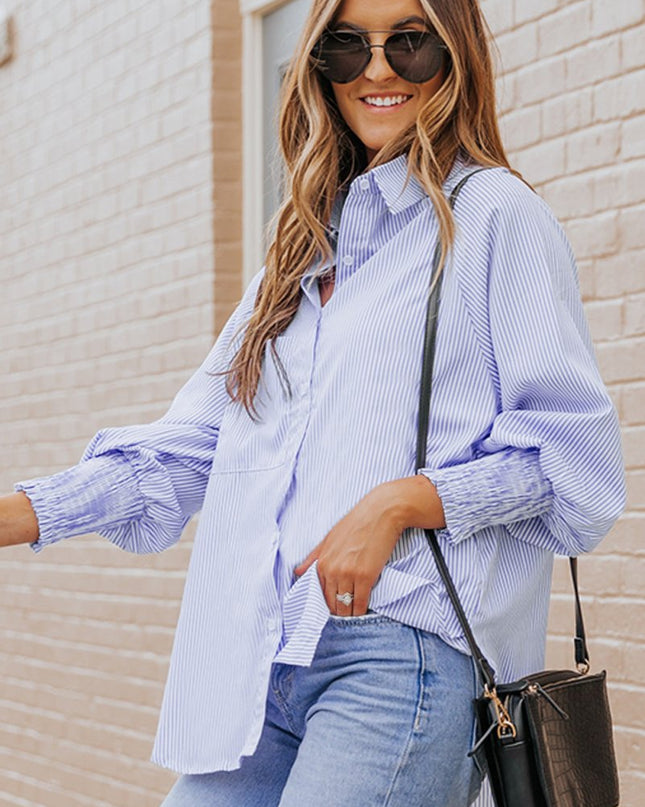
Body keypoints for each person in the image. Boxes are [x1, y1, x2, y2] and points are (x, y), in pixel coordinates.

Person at [1, 0, 625, 805]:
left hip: (404, 659)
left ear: (456, 52)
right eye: (346, 45)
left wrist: (403, 500)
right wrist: (19, 513)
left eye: (408, 42)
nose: (375, 69)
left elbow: (574, 466)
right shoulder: (297, 253)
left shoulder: (494, 217)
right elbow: (190, 448)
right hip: (269, 660)